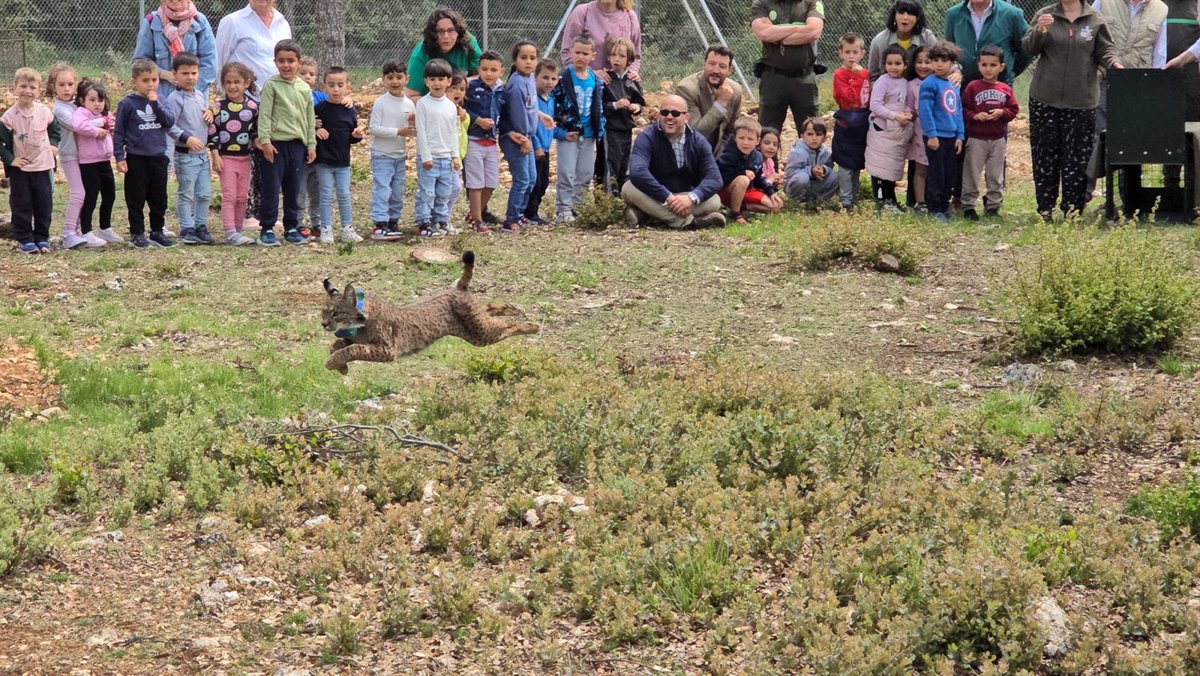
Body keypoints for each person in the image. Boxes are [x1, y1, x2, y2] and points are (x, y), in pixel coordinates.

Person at [1023, 0, 1121, 221]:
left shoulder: (1095, 20)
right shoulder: (1045, 14)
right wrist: (1040, 30)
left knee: (1077, 158)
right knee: (1045, 155)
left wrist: (1114, 63)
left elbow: (1105, 50)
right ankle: (1045, 208)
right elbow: (1028, 48)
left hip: (1082, 101)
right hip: (1045, 98)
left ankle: (1073, 209)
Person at [215, 0, 291, 227]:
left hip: (276, 103)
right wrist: (227, 101)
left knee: (269, 156)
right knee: (245, 156)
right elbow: (220, 62)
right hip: (243, 105)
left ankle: (265, 211)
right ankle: (246, 214)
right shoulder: (233, 22)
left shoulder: (282, 22)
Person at [1087, 0, 1168, 197]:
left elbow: (1159, 53)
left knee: (1131, 140)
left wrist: (1154, 86)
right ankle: (1083, 194)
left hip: (1138, 84)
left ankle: (1128, 198)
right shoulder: (1103, 2)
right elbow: (1088, 35)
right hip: (1103, 80)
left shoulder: (1160, 9)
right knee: (1095, 134)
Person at [558, 0, 642, 186]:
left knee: (615, 151)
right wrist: (592, 74)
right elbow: (567, 53)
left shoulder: (629, 16)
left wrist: (631, 73)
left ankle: (610, 193)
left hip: (617, 95)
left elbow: (635, 55)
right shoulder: (583, 12)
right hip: (587, 92)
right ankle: (576, 195)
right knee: (583, 148)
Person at [622, 94, 725, 229]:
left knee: (714, 200)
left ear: (686, 117)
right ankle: (687, 222)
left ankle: (648, 215)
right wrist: (668, 197)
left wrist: (690, 198)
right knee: (628, 189)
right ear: (659, 115)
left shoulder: (699, 141)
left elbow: (715, 178)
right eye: (664, 112)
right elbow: (638, 172)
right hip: (655, 194)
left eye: (675, 113)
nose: (669, 117)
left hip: (683, 195)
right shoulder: (646, 137)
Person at [256, 39, 316, 246]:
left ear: (299, 63)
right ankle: (267, 228)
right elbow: (264, 115)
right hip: (275, 145)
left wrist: (311, 144)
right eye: (281, 61)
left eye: (291, 61)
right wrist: (265, 141)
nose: (286, 65)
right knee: (271, 188)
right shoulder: (271, 85)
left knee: (293, 188)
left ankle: (291, 227)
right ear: (275, 62)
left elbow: (309, 119)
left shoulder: (304, 88)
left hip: (297, 146)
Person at [114, 59, 177, 248]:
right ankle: (137, 233)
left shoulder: (162, 100)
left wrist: (156, 104)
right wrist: (119, 156)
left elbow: (169, 121)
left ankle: (157, 231)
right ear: (134, 82)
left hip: (158, 157)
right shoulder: (127, 104)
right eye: (145, 80)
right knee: (136, 197)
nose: (151, 84)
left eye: (154, 80)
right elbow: (119, 132)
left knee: (159, 198)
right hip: (137, 157)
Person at [1, 68, 61, 254]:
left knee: (44, 204)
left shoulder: (44, 112)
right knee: (22, 204)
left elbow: (55, 129)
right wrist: (11, 159)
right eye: (23, 86)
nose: (27, 91)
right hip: (21, 169)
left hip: (43, 166)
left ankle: (42, 238)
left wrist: (53, 144)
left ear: (39, 90)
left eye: (32, 87)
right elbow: (1, 142)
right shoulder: (9, 116)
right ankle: (25, 240)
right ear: (15, 88)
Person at [750, 0, 825, 134]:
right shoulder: (761, 3)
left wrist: (777, 34)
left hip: (804, 79)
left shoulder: (812, 2)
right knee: (767, 133)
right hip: (773, 79)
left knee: (812, 132)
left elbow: (813, 32)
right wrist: (798, 28)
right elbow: (763, 33)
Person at [961, 45, 1018, 220]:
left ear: (1001, 67)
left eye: (993, 65)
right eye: (984, 64)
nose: (988, 69)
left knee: (995, 174)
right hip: (976, 138)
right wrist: (975, 115)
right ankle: (969, 206)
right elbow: (963, 108)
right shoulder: (973, 87)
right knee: (972, 172)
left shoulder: (1005, 89)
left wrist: (1003, 112)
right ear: (978, 65)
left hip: (997, 139)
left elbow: (1014, 109)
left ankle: (993, 206)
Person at [553, 34, 606, 223]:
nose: (581, 57)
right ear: (570, 52)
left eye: (585, 53)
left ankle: (578, 207)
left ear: (593, 56)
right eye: (577, 53)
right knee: (566, 172)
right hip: (569, 134)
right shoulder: (563, 78)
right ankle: (563, 209)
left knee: (585, 173)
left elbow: (598, 106)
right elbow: (554, 105)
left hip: (589, 134)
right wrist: (561, 129)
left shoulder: (596, 80)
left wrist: (600, 128)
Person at [165, 52, 215, 245]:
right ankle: (187, 227)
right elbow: (169, 125)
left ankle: (201, 226)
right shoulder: (174, 99)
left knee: (204, 193)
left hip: (202, 155)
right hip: (185, 156)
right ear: (175, 74)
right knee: (186, 193)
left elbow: (203, 116)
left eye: (193, 73)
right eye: (185, 73)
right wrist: (186, 138)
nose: (190, 77)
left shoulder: (200, 95)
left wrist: (210, 113)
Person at [311, 66, 364, 244]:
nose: (336, 89)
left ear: (347, 86)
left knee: (344, 194)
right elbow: (309, 128)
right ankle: (326, 229)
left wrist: (356, 135)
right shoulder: (319, 108)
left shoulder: (350, 110)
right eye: (331, 85)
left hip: (343, 163)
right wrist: (316, 131)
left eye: (340, 85)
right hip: (324, 162)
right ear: (324, 87)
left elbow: (351, 136)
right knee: (326, 194)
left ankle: (347, 228)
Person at [208, 61, 259, 245]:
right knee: (229, 195)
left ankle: (238, 230)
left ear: (246, 83)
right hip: (226, 158)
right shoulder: (218, 107)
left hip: (245, 158)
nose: (232, 86)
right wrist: (215, 155)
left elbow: (256, 131)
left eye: (237, 82)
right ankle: (230, 231)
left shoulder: (253, 106)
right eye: (228, 82)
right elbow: (212, 132)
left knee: (242, 196)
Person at [48, 64, 98, 249]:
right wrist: (103, 122)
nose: (67, 89)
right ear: (53, 86)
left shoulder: (75, 104)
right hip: (69, 155)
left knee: (86, 192)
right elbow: (78, 125)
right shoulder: (59, 109)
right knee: (78, 193)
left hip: (85, 155)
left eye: (70, 84)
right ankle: (69, 233)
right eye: (61, 85)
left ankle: (80, 231)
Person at [133, 0, 218, 103]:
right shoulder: (151, 21)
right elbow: (139, 63)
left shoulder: (199, 20)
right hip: (160, 101)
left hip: (194, 101)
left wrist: (189, 91)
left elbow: (210, 65)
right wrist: (163, 74)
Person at [368, 60, 416, 241]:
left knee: (397, 190)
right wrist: (398, 131)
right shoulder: (380, 103)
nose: (395, 81)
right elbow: (374, 128)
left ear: (406, 79)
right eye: (390, 77)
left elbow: (411, 129)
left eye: (399, 77)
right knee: (383, 189)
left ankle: (393, 221)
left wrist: (413, 127)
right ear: (383, 80)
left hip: (399, 155)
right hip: (382, 155)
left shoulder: (409, 104)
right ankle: (380, 224)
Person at [865, 45, 916, 212]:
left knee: (892, 166)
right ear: (884, 65)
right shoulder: (883, 81)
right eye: (890, 63)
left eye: (898, 63)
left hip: (897, 131)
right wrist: (894, 116)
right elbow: (875, 105)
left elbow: (907, 103)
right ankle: (881, 200)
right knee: (880, 166)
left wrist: (907, 113)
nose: (894, 67)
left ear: (905, 65)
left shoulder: (905, 83)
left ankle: (891, 199)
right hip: (882, 129)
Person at [414, 58, 462, 238]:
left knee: (444, 192)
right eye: (432, 79)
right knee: (427, 192)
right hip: (430, 159)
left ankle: (440, 221)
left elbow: (453, 132)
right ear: (426, 81)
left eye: (441, 79)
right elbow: (421, 132)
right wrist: (426, 156)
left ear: (449, 81)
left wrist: (455, 155)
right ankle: (424, 223)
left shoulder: (450, 106)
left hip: (446, 158)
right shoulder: (423, 104)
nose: (437, 83)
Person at [918, 41, 965, 222]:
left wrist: (960, 135)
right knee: (936, 173)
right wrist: (931, 134)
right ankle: (934, 209)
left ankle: (945, 206)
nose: (939, 64)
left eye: (944, 61)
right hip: (936, 137)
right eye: (935, 60)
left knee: (950, 174)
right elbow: (925, 111)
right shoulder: (929, 84)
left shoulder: (953, 85)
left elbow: (958, 111)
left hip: (951, 137)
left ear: (952, 62)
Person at [72, 81, 120, 246]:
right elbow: (79, 126)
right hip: (88, 163)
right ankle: (86, 231)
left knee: (109, 195)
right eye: (92, 100)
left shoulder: (105, 115)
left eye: (100, 100)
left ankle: (105, 227)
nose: (97, 104)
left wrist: (110, 125)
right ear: (82, 100)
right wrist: (99, 127)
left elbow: (112, 126)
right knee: (90, 197)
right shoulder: (81, 113)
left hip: (104, 161)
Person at [499, 41, 541, 232]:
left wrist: (541, 117)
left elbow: (531, 107)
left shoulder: (530, 78)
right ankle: (511, 219)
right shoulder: (516, 83)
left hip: (527, 137)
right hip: (516, 138)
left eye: (532, 58)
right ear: (515, 60)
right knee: (522, 179)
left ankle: (520, 214)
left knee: (531, 179)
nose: (528, 62)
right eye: (523, 58)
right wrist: (524, 139)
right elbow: (518, 115)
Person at [675, 45, 744, 155]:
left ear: (730, 70)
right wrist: (720, 103)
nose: (716, 70)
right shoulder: (687, 89)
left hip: (719, 152)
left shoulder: (735, 90)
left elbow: (731, 130)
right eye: (711, 64)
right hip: (690, 152)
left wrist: (722, 156)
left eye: (722, 66)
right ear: (704, 64)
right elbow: (695, 132)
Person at [944, 0, 1031, 86]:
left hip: (998, 88)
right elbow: (949, 51)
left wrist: (1009, 72)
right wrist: (956, 70)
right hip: (962, 87)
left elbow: (1027, 49)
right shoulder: (953, 14)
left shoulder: (1011, 14)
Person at [464, 50, 504, 232]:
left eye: (493, 70)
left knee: (491, 183)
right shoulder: (471, 88)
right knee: (476, 183)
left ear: (501, 71)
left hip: (492, 142)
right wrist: (478, 120)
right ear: (478, 70)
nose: (489, 73)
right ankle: (478, 221)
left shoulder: (502, 90)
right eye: (485, 69)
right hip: (473, 140)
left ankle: (474, 214)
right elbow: (462, 108)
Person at [215, 0, 291, 95]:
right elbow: (219, 62)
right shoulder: (232, 21)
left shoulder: (283, 24)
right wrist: (223, 94)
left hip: (278, 96)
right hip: (243, 98)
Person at [717, 117, 783, 224]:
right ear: (735, 138)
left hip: (746, 191)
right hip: (726, 191)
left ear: (757, 141)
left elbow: (759, 178)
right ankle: (735, 213)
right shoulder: (728, 156)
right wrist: (742, 173)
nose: (746, 142)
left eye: (750, 139)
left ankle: (740, 207)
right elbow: (721, 178)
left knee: (775, 206)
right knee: (743, 179)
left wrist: (771, 192)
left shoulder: (757, 157)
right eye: (741, 138)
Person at [405, 8, 482, 99]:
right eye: (440, 31)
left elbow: (485, 75)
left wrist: (460, 83)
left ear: (458, 32)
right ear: (432, 34)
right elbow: (410, 96)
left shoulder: (468, 42)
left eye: (451, 30)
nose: (446, 36)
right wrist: (440, 103)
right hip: (430, 102)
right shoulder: (421, 53)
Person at [832, 32, 871, 210]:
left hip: (862, 123)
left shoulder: (865, 74)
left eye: (855, 52)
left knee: (856, 163)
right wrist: (856, 77)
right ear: (841, 53)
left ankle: (855, 196)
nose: (851, 56)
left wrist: (861, 75)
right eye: (847, 52)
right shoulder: (839, 74)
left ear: (862, 54)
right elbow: (849, 98)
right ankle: (846, 199)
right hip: (847, 123)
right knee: (846, 163)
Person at [601, 37, 644, 195]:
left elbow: (640, 103)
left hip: (626, 129)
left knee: (624, 163)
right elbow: (599, 106)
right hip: (610, 129)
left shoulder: (632, 80)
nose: (616, 59)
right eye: (613, 55)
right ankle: (608, 199)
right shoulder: (605, 79)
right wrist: (615, 105)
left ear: (629, 60)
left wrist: (635, 107)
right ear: (608, 57)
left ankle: (622, 197)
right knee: (610, 164)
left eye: (621, 56)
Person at [526, 58, 561, 226]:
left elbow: (550, 125)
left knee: (544, 183)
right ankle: (528, 213)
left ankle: (533, 212)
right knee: (534, 182)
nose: (549, 82)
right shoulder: (532, 98)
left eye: (553, 78)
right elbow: (530, 125)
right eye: (545, 77)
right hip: (535, 148)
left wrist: (562, 135)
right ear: (536, 77)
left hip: (546, 148)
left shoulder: (550, 99)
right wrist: (537, 145)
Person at [867, 0, 940, 80]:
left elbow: (940, 63)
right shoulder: (879, 41)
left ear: (917, 18)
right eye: (901, 12)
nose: (905, 17)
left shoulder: (927, 37)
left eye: (911, 13)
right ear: (894, 16)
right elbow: (872, 76)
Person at [785, 117, 840, 208]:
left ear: (824, 138)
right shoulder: (798, 152)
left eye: (818, 134)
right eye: (810, 134)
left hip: (815, 185)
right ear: (802, 136)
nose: (814, 138)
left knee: (837, 176)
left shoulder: (826, 152)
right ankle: (796, 203)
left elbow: (830, 167)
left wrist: (824, 169)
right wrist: (810, 171)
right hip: (797, 186)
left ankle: (819, 202)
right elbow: (790, 173)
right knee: (802, 178)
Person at [297, 56, 324, 237]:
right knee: (299, 191)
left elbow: (338, 102)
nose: (307, 77)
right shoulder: (293, 96)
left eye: (312, 74)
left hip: (320, 153)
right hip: (300, 151)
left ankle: (317, 224)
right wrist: (310, 122)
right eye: (303, 73)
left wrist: (348, 100)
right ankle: (297, 223)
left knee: (318, 191)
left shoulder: (321, 97)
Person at [906, 45, 933, 209]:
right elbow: (909, 106)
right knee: (921, 168)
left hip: (939, 132)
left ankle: (936, 200)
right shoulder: (911, 85)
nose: (923, 66)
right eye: (919, 62)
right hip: (920, 133)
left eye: (927, 62)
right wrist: (909, 114)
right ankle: (920, 202)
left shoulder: (941, 82)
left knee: (937, 168)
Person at [448, 74, 470, 225]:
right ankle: (437, 218)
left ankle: (445, 218)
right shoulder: (443, 108)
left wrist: (464, 117)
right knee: (451, 188)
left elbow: (464, 128)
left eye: (462, 89)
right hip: (445, 156)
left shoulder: (460, 110)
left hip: (457, 157)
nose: (458, 92)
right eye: (454, 88)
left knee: (455, 188)